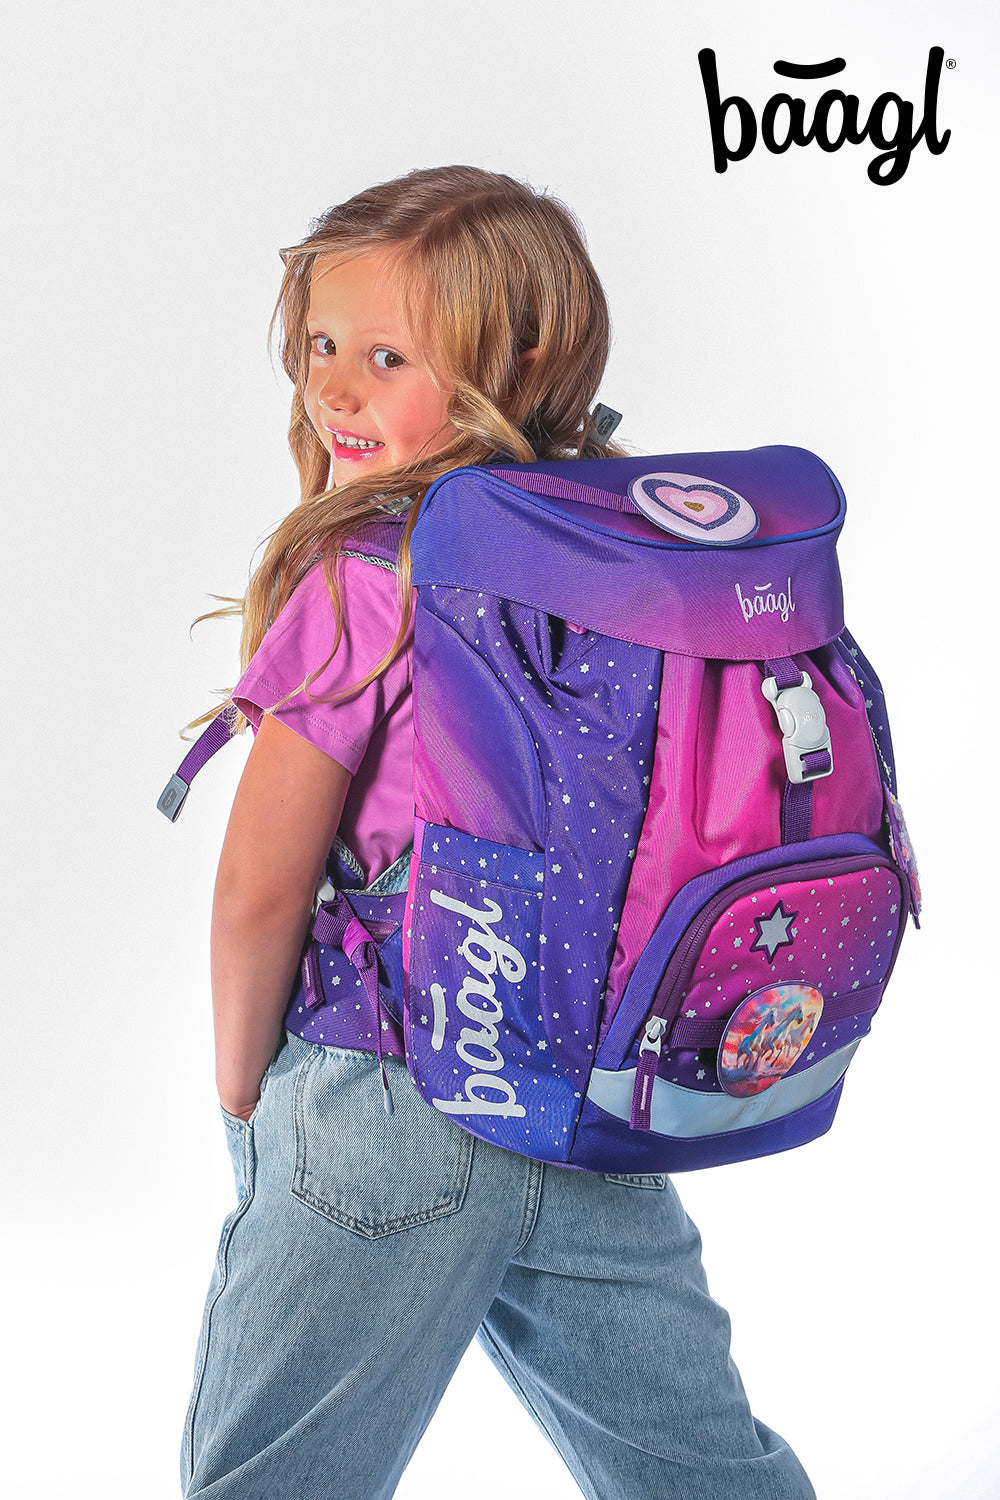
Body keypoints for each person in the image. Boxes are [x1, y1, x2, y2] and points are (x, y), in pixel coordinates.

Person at [181, 164, 815, 1500]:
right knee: (701, 1473)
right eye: (321, 345)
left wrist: (245, 1095)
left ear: (516, 359)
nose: (334, 389)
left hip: (387, 1099)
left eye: (386, 357)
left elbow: (257, 887)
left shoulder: (366, 572)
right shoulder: (631, 560)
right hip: (582, 1101)